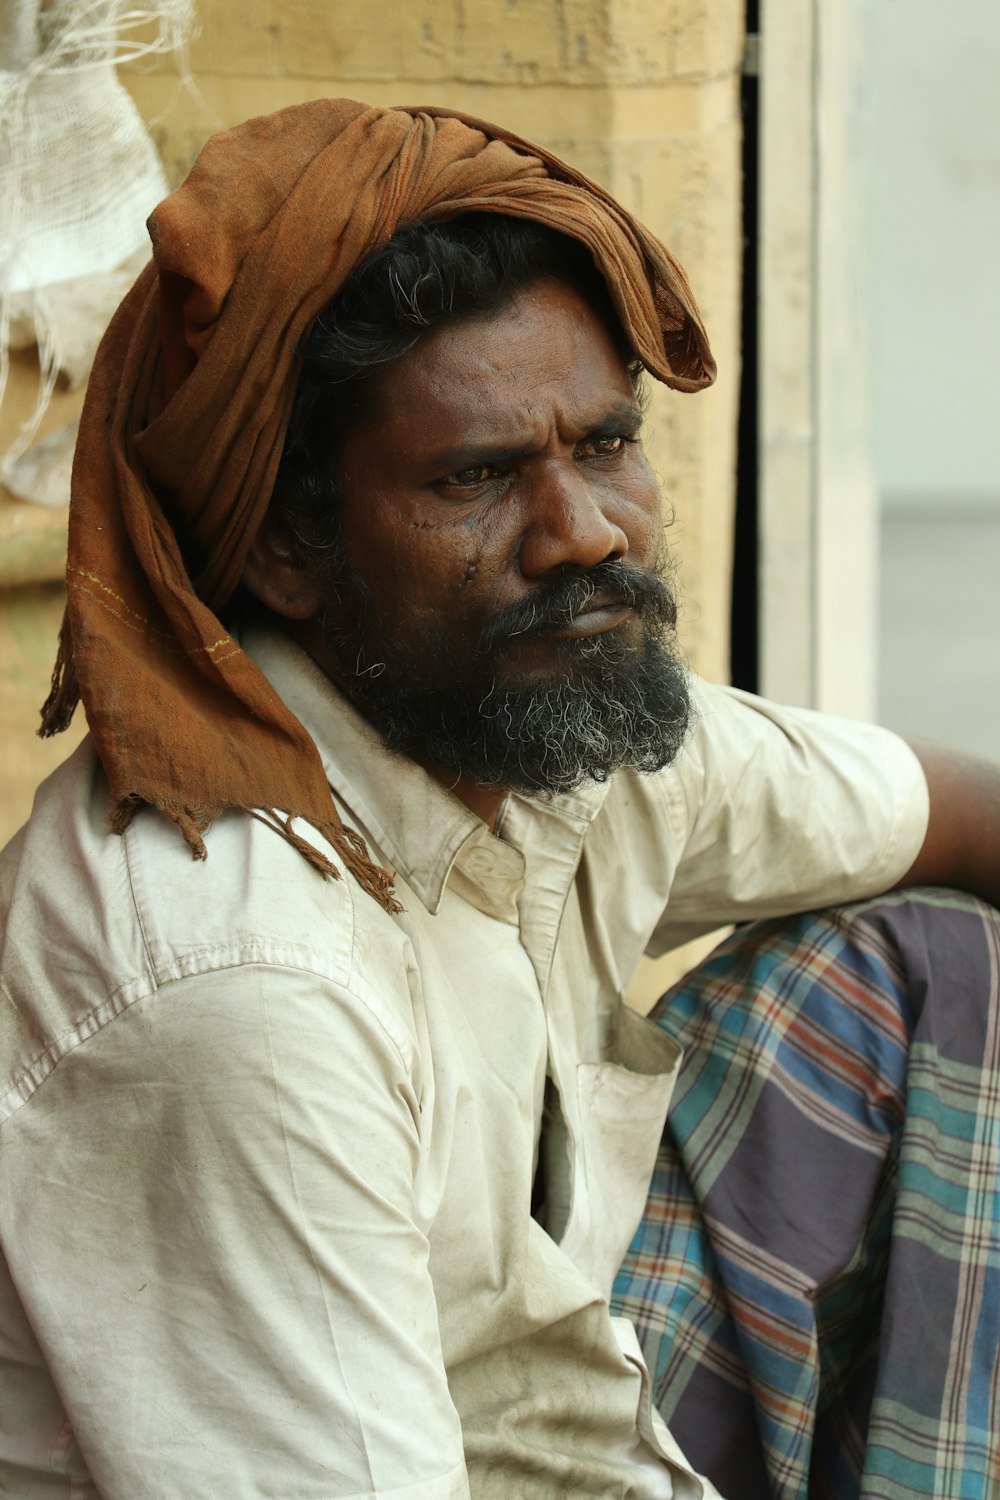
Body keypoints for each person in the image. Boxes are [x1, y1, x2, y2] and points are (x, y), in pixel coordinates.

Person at [0, 100, 997, 1500]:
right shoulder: (239, 981)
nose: (584, 531)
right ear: (287, 547)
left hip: (547, 1409)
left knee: (947, 970)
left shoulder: (550, 725)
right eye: (475, 478)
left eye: (603, 445)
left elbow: (954, 809)